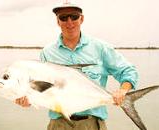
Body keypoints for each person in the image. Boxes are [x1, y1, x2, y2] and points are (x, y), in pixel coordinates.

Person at [15, 1, 138, 130]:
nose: (69, 22)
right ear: (58, 21)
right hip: (59, 124)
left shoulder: (100, 48)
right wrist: (29, 99)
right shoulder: (47, 52)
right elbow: (45, 92)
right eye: (63, 17)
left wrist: (123, 91)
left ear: (82, 19)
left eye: (74, 16)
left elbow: (128, 71)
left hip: (92, 124)